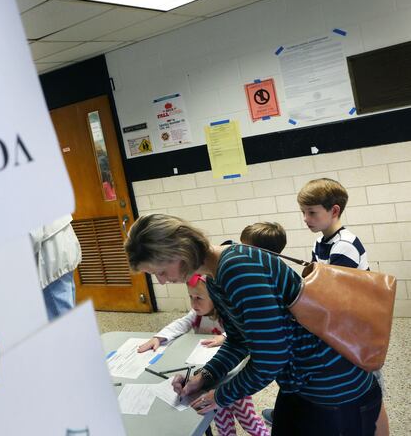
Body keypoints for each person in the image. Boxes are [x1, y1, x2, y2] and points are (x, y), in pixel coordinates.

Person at [125, 214, 382, 436]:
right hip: (300, 382)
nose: (160, 281)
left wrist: (219, 396)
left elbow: (271, 358)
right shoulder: (215, 275)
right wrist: (206, 376)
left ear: (178, 252)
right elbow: (238, 340)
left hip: (332, 387)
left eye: (159, 271)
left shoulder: (238, 269)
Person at [286, 178, 388, 436]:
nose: (306, 219)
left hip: (357, 330)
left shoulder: (344, 245)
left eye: (312, 213)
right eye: (303, 212)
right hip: (339, 325)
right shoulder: (321, 242)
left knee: (369, 391)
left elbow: (333, 298)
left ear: (334, 210)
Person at [138, 274, 268, 436]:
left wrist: (225, 336)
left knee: (248, 420)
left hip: (234, 380)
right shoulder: (196, 313)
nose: (194, 304)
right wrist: (159, 337)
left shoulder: (229, 313)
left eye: (199, 297)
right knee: (222, 423)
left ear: (215, 297)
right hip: (208, 380)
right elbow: (181, 323)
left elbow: (242, 333)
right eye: (191, 297)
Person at [29, 214, 82, 320]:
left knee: (59, 315)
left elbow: (33, 234)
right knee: (66, 307)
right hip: (61, 243)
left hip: (49, 256)